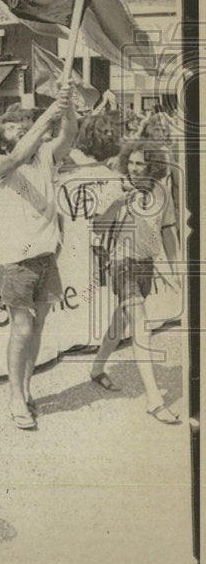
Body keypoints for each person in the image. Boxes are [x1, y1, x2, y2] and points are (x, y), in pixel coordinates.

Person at [0, 82, 77, 429]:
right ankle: (14, 397)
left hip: (45, 256)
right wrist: (46, 117)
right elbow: (18, 156)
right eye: (9, 125)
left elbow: (69, 135)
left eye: (22, 123)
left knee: (37, 328)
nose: (18, 125)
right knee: (21, 329)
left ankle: (26, 387)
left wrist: (66, 108)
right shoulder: (0, 163)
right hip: (15, 261)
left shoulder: (45, 157)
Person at [88, 141, 181, 423]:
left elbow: (167, 233)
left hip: (145, 265)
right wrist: (117, 203)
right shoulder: (116, 187)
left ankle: (96, 369)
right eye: (131, 162)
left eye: (140, 163)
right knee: (141, 325)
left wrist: (175, 270)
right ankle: (154, 399)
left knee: (121, 322)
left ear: (152, 166)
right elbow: (97, 227)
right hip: (121, 263)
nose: (134, 167)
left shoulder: (161, 192)